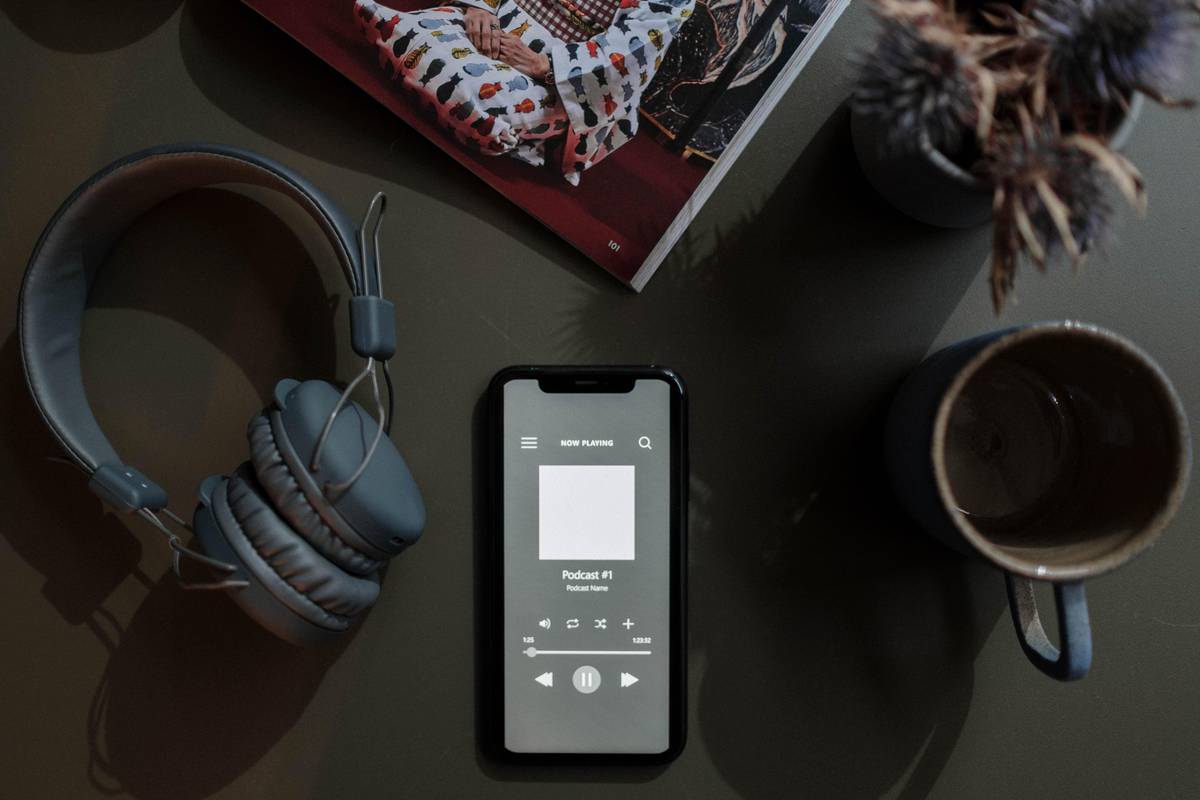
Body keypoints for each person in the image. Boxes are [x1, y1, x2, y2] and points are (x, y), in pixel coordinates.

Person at [354, 0, 694, 184]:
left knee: (492, 95)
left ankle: (481, 114)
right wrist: (479, 5)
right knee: (422, 32)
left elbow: (628, 57)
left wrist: (545, 66)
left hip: (559, 67)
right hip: (502, 15)